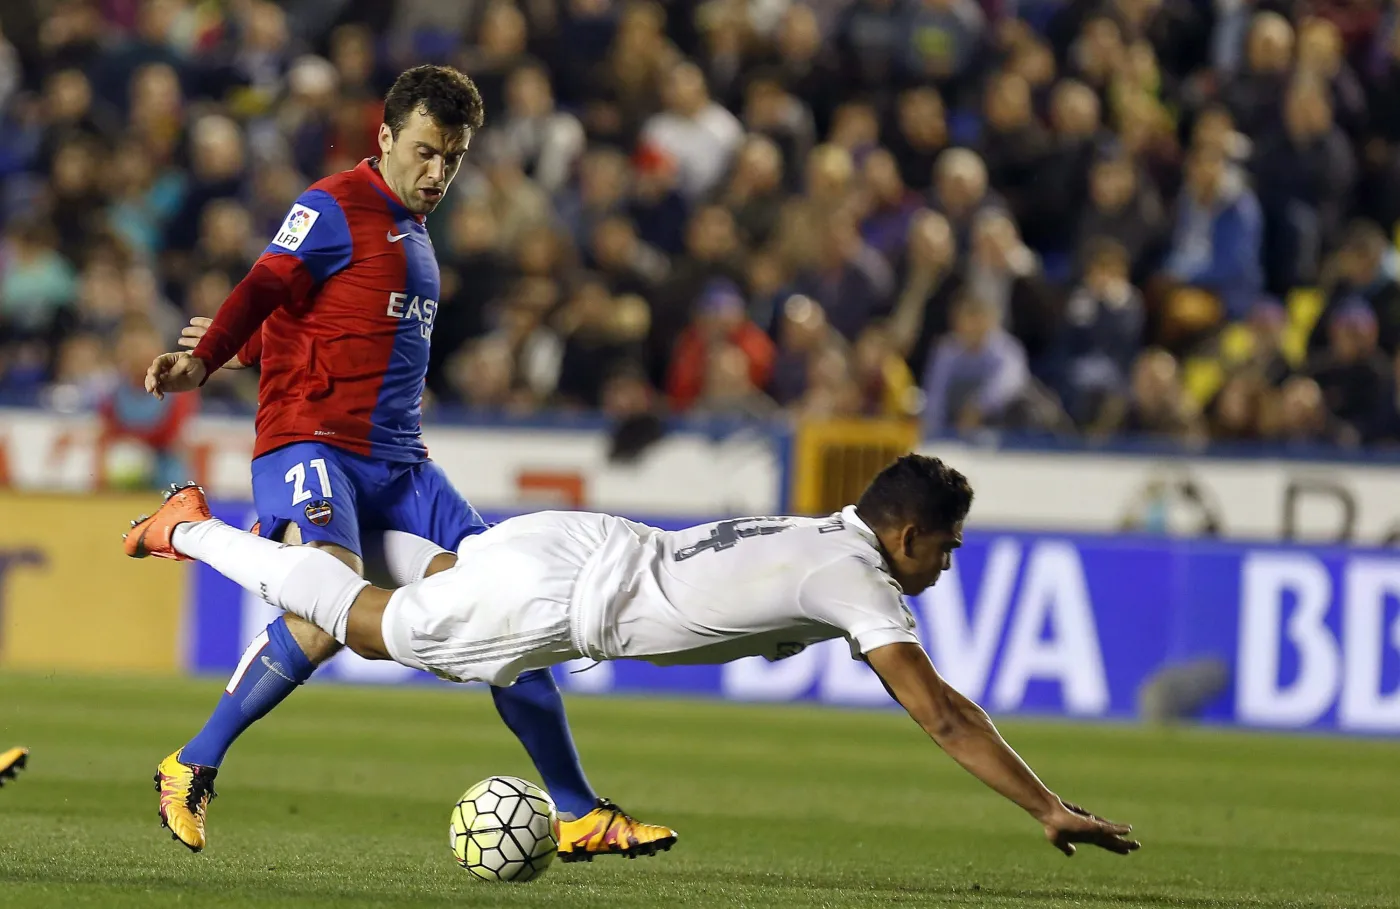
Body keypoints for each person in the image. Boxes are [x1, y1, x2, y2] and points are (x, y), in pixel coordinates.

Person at [140, 64, 673, 858]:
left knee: (513, 613)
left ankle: (578, 812)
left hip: (401, 466)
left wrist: (250, 349)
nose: (436, 174)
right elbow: (265, 283)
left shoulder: (417, 235)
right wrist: (209, 357)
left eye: (451, 160)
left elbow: (322, 321)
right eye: (424, 152)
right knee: (326, 610)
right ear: (385, 136)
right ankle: (191, 759)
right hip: (309, 444)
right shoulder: (332, 204)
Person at [125, 457, 1141, 859]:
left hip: (575, 543)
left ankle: (574, 815)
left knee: (497, 657)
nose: (946, 568)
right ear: (909, 535)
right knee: (372, 626)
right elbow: (946, 716)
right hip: (566, 591)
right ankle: (188, 530)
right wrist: (1046, 805)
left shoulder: (830, 529)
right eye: (947, 550)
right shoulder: (857, 581)